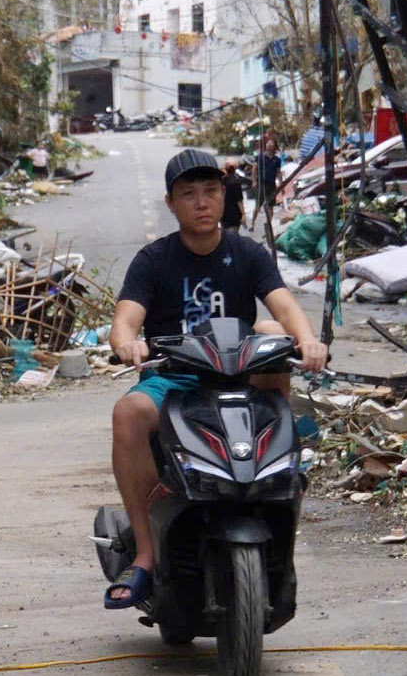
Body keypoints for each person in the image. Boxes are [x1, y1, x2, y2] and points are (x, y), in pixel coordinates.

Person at [105, 149, 328, 608]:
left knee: (270, 332)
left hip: (239, 375)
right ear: (171, 203)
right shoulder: (154, 259)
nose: (201, 202)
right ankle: (146, 554)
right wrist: (127, 342)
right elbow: (125, 320)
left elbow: (283, 306)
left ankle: (278, 482)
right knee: (129, 412)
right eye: (189, 194)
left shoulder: (247, 253)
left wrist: (309, 341)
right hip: (177, 379)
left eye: (210, 191)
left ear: (224, 197)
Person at [254, 130, 285, 234]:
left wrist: (281, 184)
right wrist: (254, 181)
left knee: (270, 206)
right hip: (261, 184)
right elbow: (254, 169)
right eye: (268, 143)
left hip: (271, 185)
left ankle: (269, 224)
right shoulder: (260, 157)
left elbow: (278, 172)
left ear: (274, 147)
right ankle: (253, 223)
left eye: (272, 143)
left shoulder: (277, 160)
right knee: (258, 205)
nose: (269, 145)